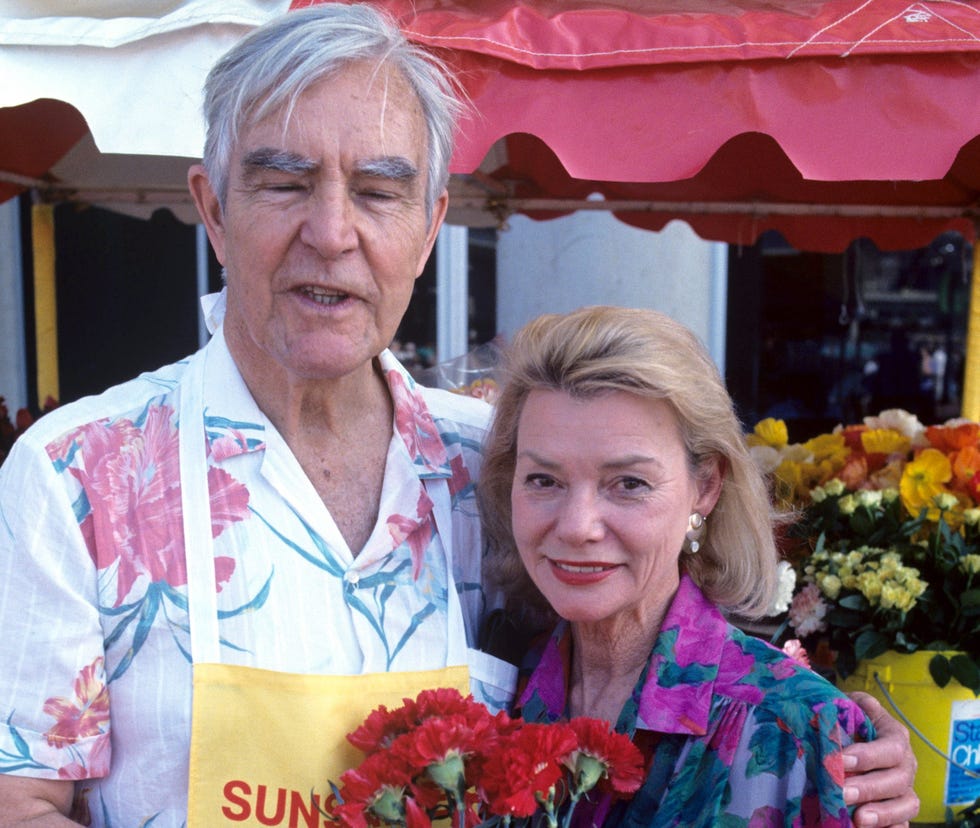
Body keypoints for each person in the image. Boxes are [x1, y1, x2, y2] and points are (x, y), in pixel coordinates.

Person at [0, 5, 914, 827]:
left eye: (377, 191)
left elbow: (665, 658)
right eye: (283, 183)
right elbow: (24, 799)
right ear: (212, 208)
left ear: (430, 226)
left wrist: (841, 759)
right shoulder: (80, 475)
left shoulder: (500, 469)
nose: (331, 231)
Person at [478, 306, 917, 826]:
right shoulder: (495, 694)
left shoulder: (799, 730)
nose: (577, 526)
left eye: (629, 484)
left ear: (705, 487)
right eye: (543, 480)